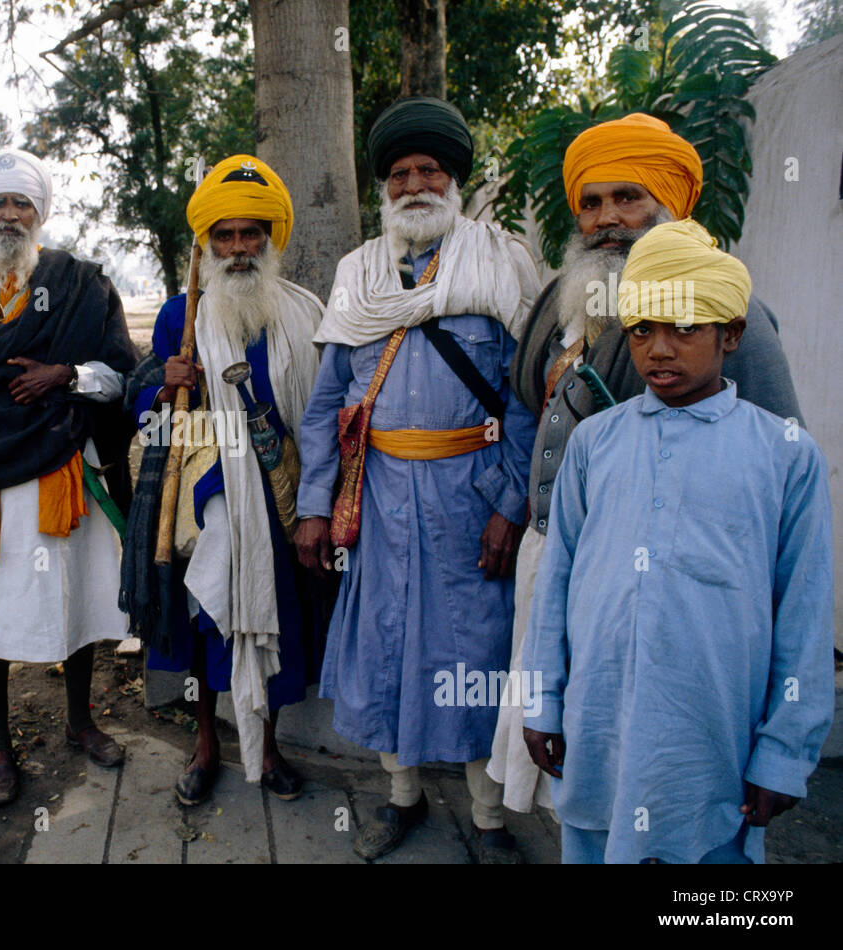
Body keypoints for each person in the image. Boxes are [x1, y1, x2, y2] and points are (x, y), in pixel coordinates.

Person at [488, 114, 804, 816]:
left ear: (671, 204)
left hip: (678, 590)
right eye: (592, 202)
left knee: (667, 769)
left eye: (628, 198)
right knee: (575, 761)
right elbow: (522, 404)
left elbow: (778, 482)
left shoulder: (731, 310)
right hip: (561, 559)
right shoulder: (559, 297)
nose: (607, 220)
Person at [522, 219, 834, 864]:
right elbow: (558, 583)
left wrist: (784, 754)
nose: (659, 349)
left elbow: (803, 615)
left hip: (714, 741)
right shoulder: (595, 442)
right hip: (599, 726)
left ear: (732, 334)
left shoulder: (785, 456)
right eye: (642, 330)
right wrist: (542, 700)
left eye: (684, 328)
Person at [294, 98, 539, 861]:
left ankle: (491, 818)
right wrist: (311, 508)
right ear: (385, 188)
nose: (414, 183)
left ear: (453, 178)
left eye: (429, 168)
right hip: (379, 502)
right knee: (385, 647)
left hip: (472, 501)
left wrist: (510, 504)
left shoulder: (500, 261)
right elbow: (328, 399)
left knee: (477, 654)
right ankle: (400, 800)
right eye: (399, 173)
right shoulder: (357, 272)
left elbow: (527, 400)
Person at [0, 148, 138, 806]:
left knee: (77, 595)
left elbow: (120, 373)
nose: (10, 215)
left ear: (40, 212)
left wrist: (63, 375)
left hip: (60, 468)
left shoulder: (80, 284)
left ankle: (81, 722)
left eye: (21, 204)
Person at [119, 155, 329, 804]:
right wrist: (163, 387)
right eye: (225, 236)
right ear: (207, 244)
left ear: (270, 238)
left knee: (275, 623)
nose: (239, 247)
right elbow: (149, 421)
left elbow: (318, 409)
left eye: (251, 233)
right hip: (204, 501)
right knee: (207, 621)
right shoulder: (180, 317)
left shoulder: (300, 312)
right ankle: (207, 748)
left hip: (279, 496)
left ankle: (268, 751)